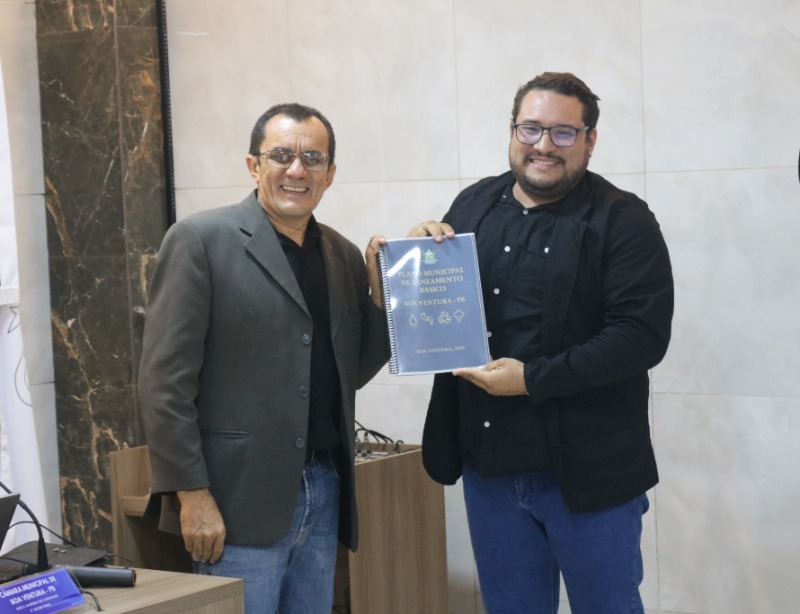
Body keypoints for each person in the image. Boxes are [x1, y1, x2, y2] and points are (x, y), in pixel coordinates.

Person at [411, 72, 674, 614]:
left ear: (590, 140)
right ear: (512, 130)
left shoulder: (623, 218)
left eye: (563, 132)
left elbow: (640, 337)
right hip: (489, 469)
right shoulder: (472, 205)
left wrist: (531, 379)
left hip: (589, 476)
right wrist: (408, 264)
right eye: (530, 128)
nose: (543, 145)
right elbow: (440, 318)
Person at [137, 102, 389, 613]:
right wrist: (192, 494)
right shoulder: (200, 241)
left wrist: (384, 303)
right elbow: (164, 386)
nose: (297, 170)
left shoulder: (341, 255)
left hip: (324, 489)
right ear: (254, 165)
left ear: (329, 174)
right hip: (235, 501)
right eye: (281, 155)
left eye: (313, 159)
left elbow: (350, 373)